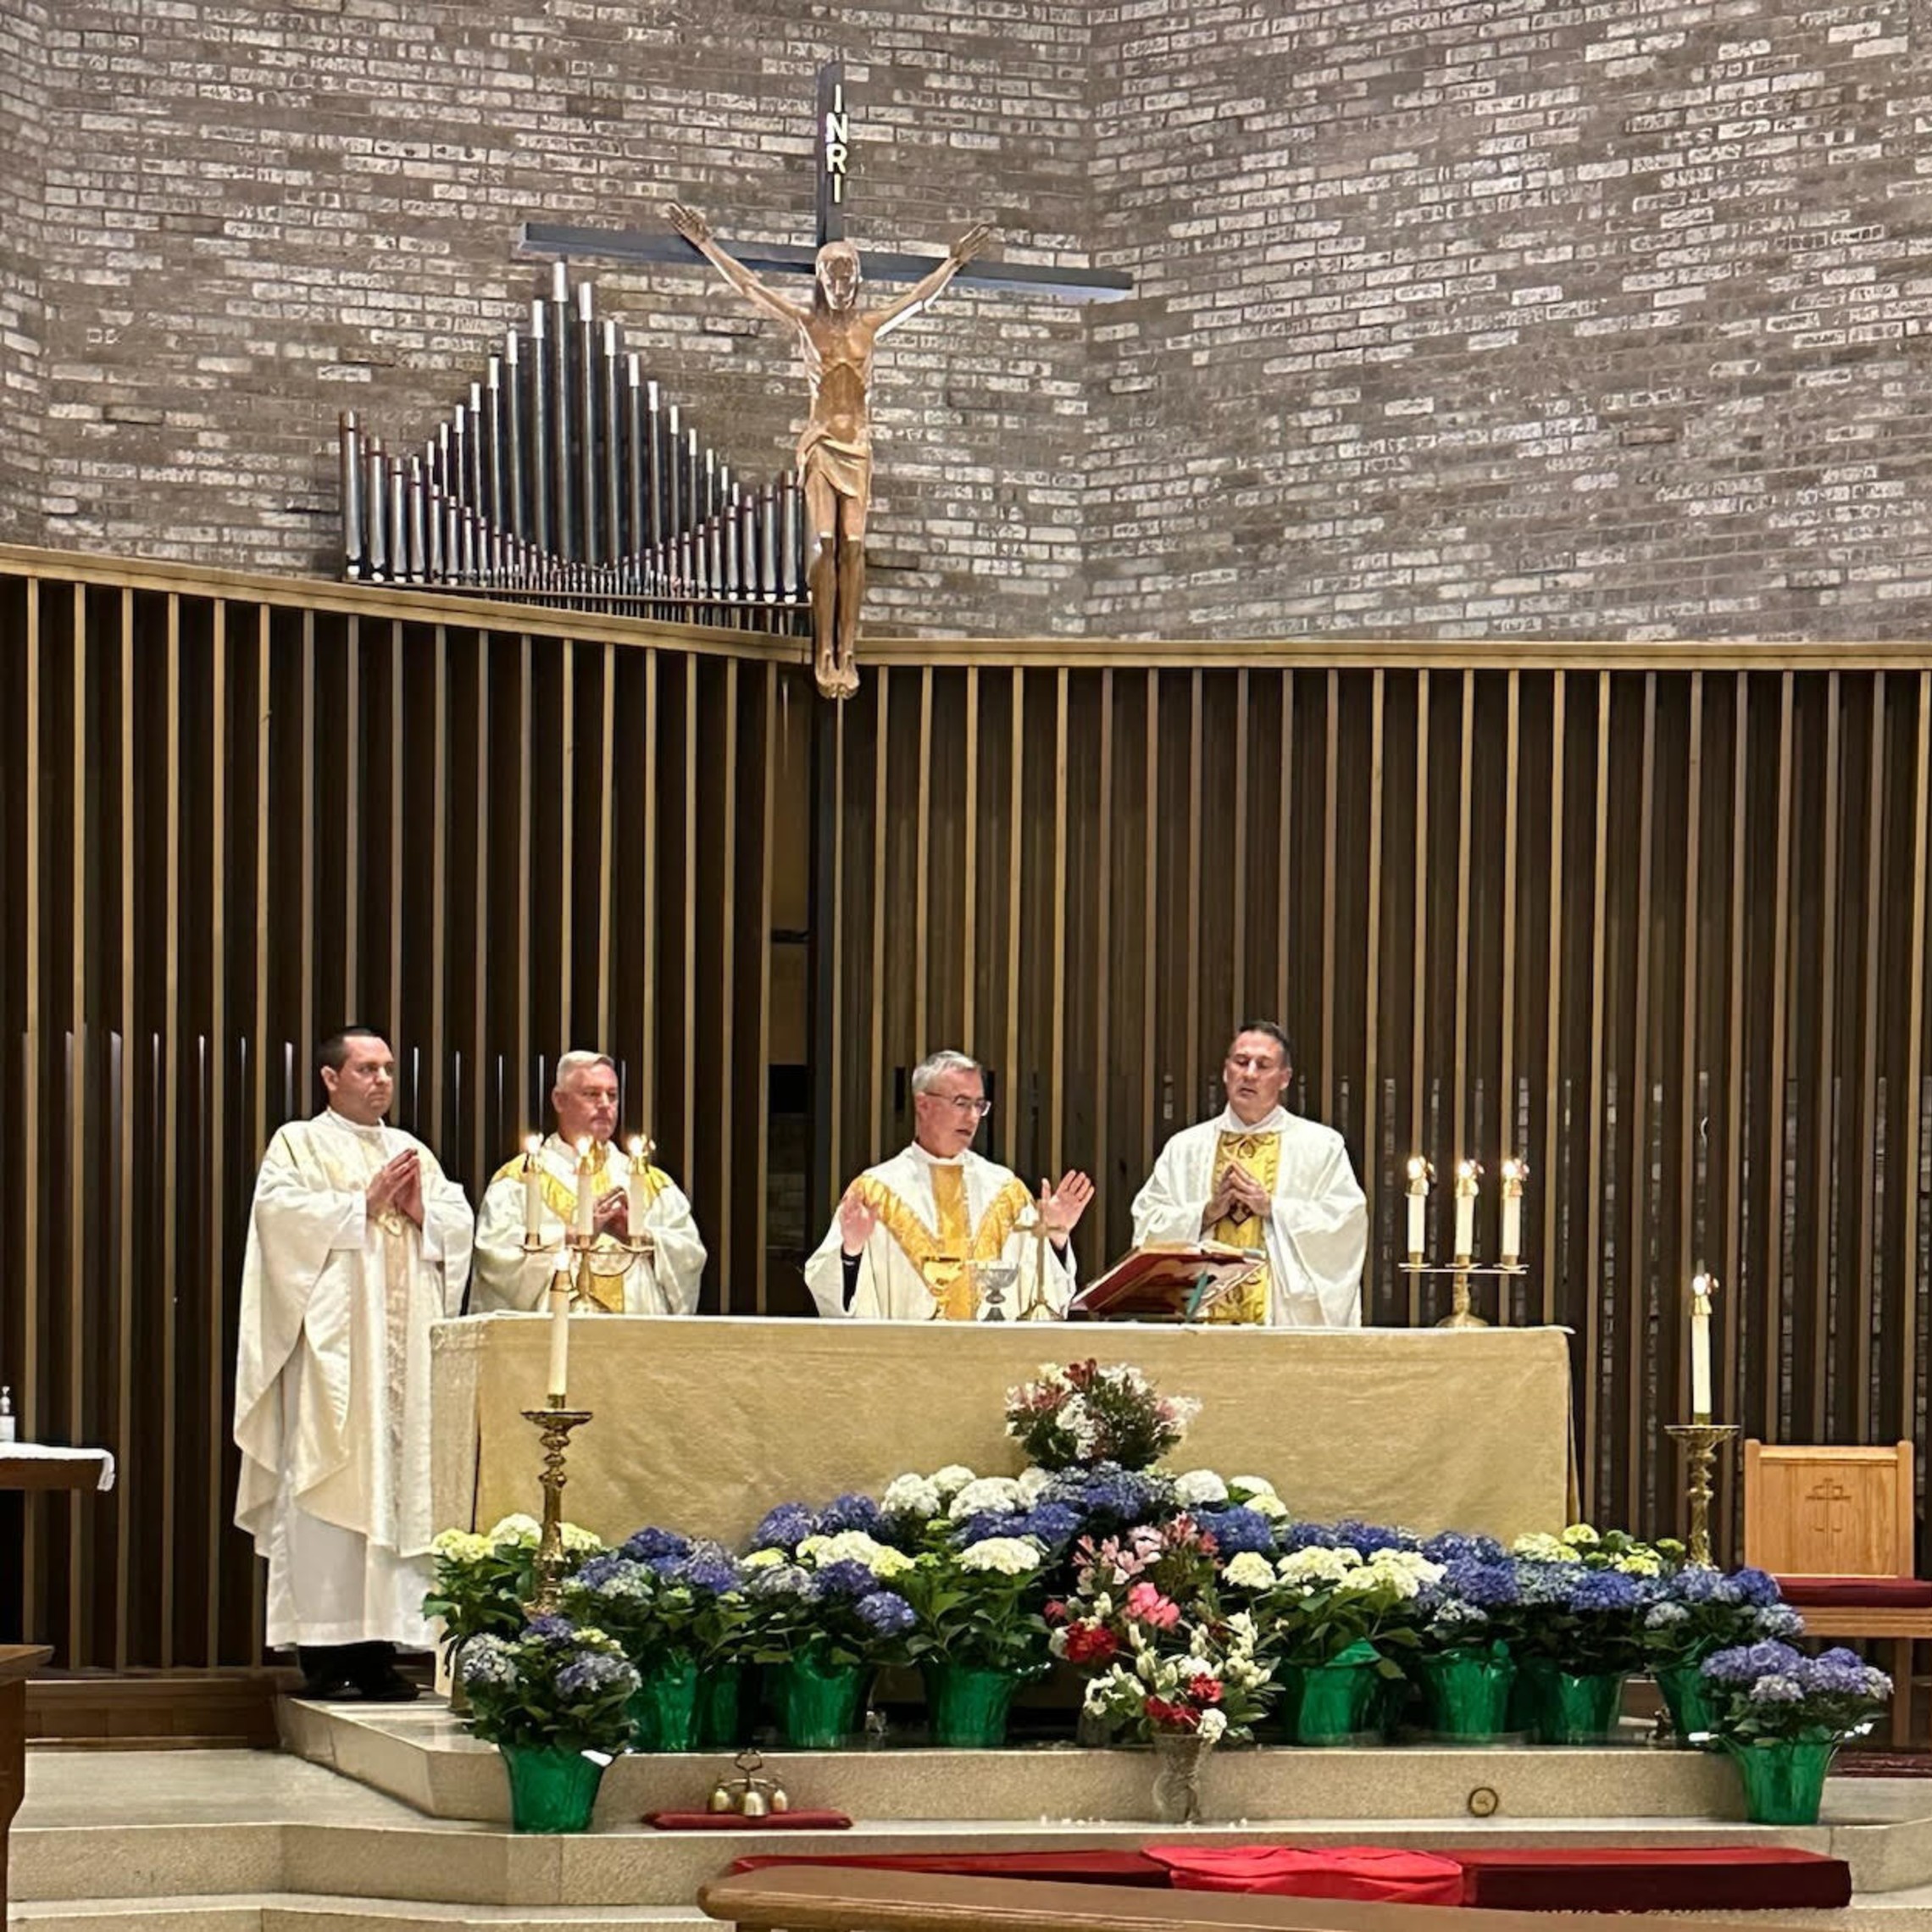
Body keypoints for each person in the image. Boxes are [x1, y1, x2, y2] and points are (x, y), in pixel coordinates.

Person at [232, 1027, 475, 1700]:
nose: (382, 1082)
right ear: (330, 1078)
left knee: (395, 1496)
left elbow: (459, 1229)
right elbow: (277, 1220)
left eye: (389, 1070)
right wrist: (358, 1206)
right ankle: (322, 1648)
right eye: (367, 1069)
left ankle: (377, 1650)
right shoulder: (299, 1143)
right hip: (336, 1360)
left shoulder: (410, 1151)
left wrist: (423, 1210)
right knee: (330, 1485)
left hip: (402, 1364)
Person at [665, 199, 991, 699]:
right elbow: (750, 288)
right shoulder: (805, 324)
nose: (842, 284)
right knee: (825, 545)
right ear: (820, 279)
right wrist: (706, 243)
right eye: (833, 276)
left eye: (850, 275)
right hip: (820, 444)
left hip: (857, 445)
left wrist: (953, 264)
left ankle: (848, 649)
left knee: (855, 547)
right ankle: (822, 650)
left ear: (858, 278)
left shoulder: (870, 326)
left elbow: (920, 300)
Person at [805, 1049, 1094, 1319]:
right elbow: (830, 1295)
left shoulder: (1006, 1190)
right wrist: (851, 1251)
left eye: (979, 1105)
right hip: (907, 1365)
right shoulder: (875, 1191)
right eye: (961, 1103)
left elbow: (1047, 1300)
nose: (972, 1117)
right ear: (923, 1104)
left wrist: (1056, 1238)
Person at [1130, 1021, 1366, 1327]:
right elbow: (1147, 1226)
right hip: (1198, 1324)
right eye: (1241, 1062)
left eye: (1263, 1065)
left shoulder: (1321, 1146)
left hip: (1282, 1321)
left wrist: (1272, 1207)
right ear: (1226, 1071)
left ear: (1284, 1079)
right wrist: (1204, 1214)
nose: (1249, 1073)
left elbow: (1346, 1223)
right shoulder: (1185, 1148)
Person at [470, 1049, 706, 1315]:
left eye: (612, 1095)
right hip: (550, 1337)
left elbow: (690, 1255)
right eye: (592, 1094)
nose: (605, 1104)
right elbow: (494, 1255)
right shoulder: (519, 1179)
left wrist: (642, 1237)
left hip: (635, 1339)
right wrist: (570, 1235)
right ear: (559, 1100)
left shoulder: (650, 1182)